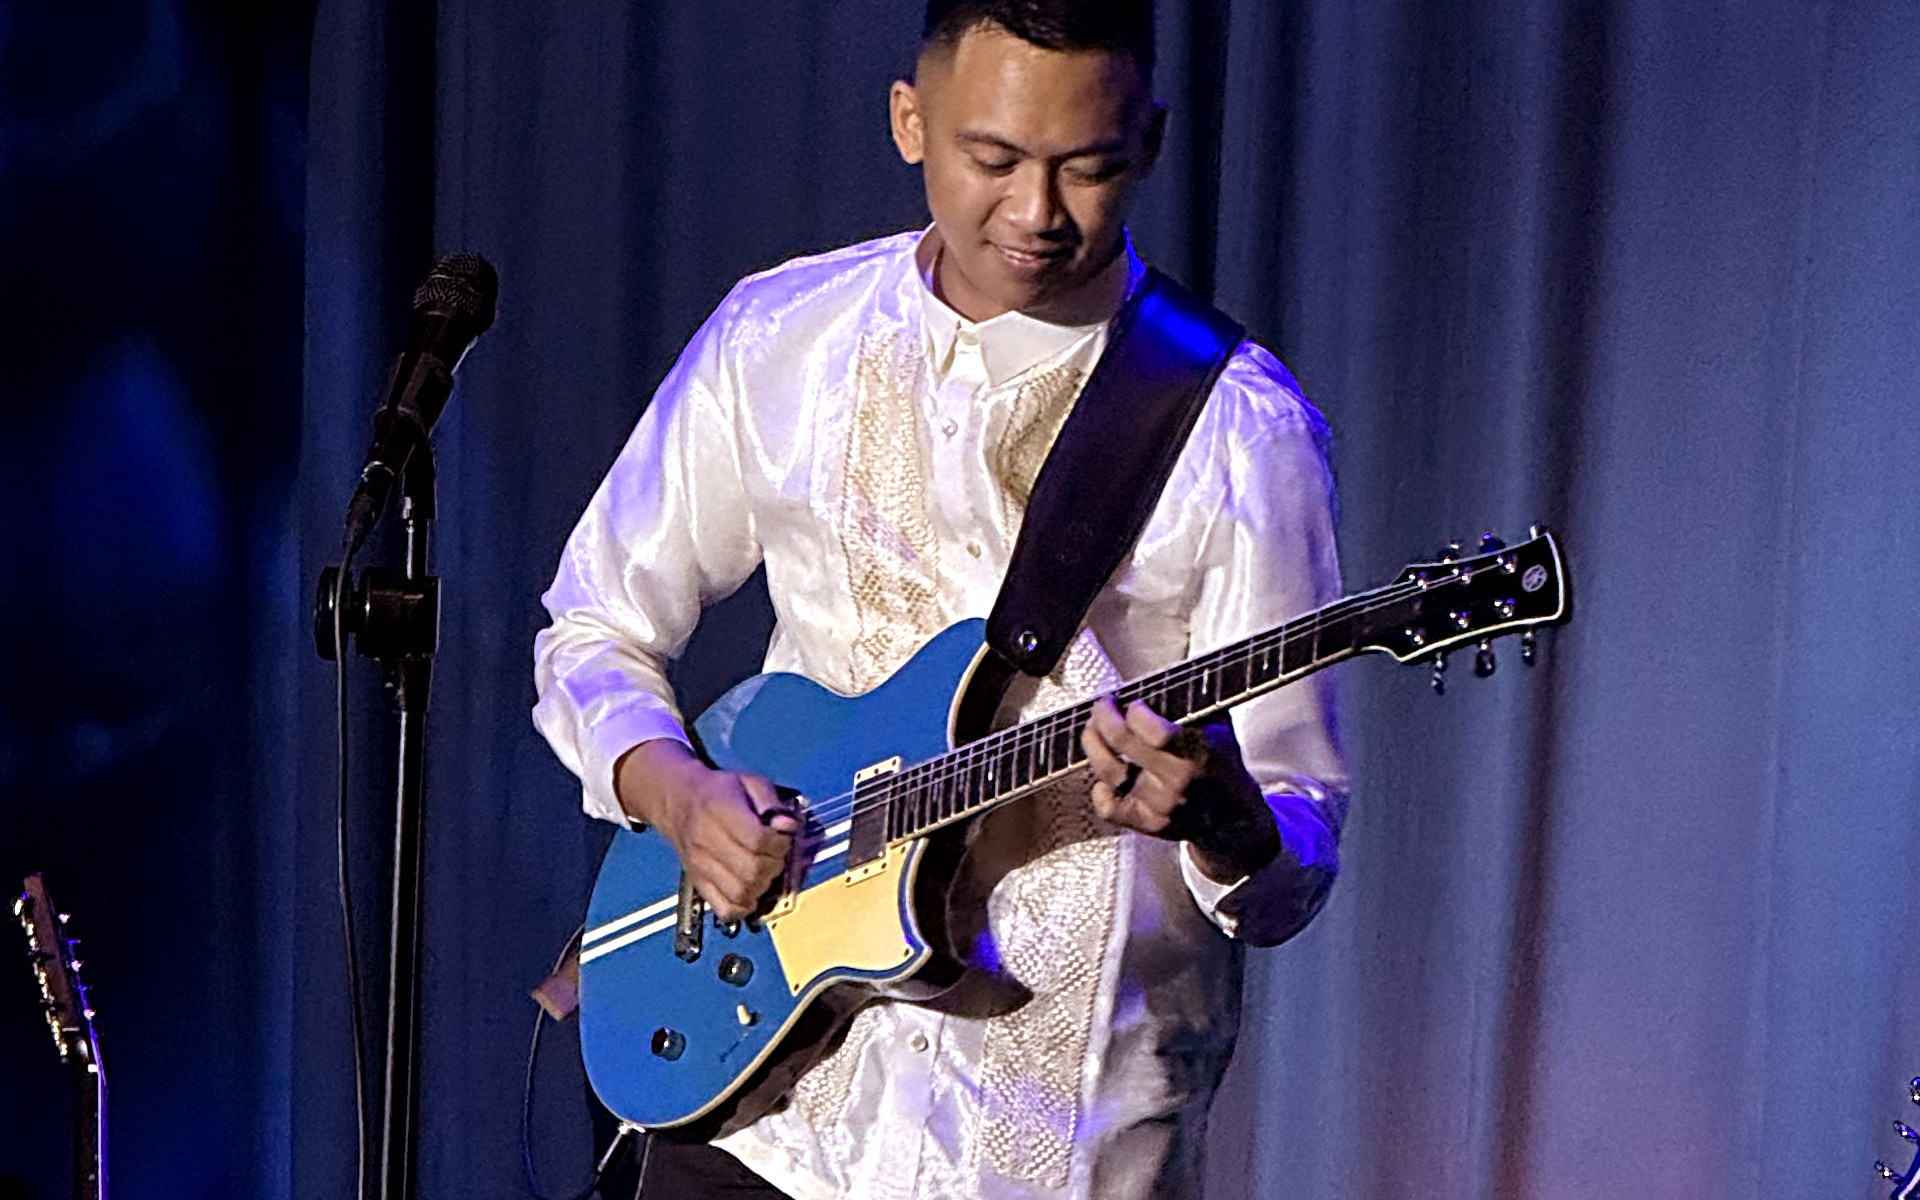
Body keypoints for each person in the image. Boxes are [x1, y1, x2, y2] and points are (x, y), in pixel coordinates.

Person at [532, 2, 1348, 1197]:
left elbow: (1294, 848)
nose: (1037, 212)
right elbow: (594, 625)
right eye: (994, 159)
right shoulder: (781, 338)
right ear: (910, 122)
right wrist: (679, 794)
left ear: (1150, 142)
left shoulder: (1240, 434)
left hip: (1055, 1139)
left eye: (1087, 168)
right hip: (765, 1106)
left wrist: (1228, 821)